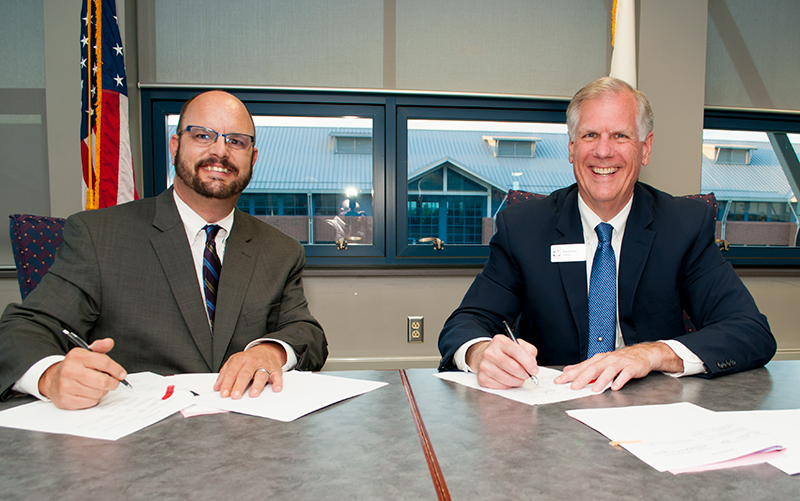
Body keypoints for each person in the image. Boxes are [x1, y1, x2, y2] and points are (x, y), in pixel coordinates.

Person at [438, 77, 775, 392]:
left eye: (620, 136)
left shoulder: (683, 225)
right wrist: (481, 353)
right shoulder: (524, 227)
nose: (603, 151)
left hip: (653, 407)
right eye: (589, 136)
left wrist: (652, 353)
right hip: (551, 405)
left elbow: (750, 330)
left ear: (645, 147)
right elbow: (466, 322)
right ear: (572, 147)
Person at [0, 90, 327, 409]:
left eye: (236, 141)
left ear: (252, 158)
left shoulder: (281, 250)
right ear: (175, 146)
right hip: (136, 429)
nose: (220, 151)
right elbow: (23, 329)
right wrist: (50, 376)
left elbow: (306, 333)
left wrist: (271, 351)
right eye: (203, 136)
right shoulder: (99, 236)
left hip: (248, 426)